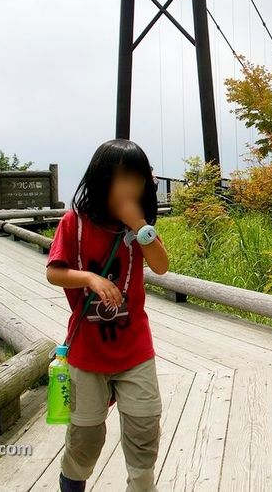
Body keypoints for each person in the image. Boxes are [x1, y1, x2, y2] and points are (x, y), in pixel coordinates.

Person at [45, 138, 170, 492]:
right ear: (103, 180)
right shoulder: (76, 223)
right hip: (88, 351)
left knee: (145, 427)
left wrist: (139, 226)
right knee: (85, 435)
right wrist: (89, 278)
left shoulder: (139, 229)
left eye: (138, 180)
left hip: (134, 349)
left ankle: (141, 486)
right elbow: (54, 272)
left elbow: (161, 266)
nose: (131, 188)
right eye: (123, 179)